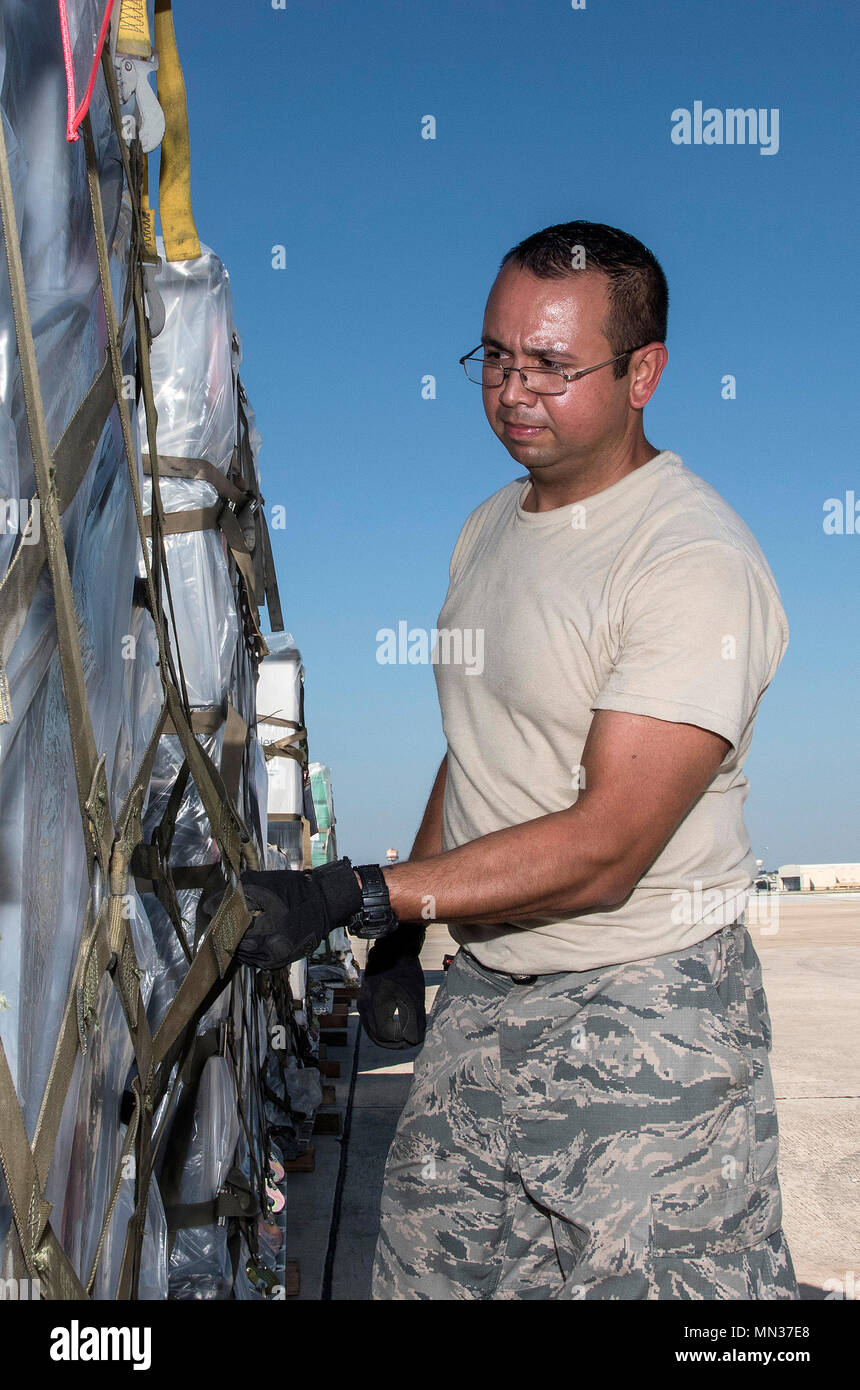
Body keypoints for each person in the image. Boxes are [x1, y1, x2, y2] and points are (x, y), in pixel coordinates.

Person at [229, 220, 798, 1300]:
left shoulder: (688, 558)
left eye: (550, 365)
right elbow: (478, 748)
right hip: (489, 998)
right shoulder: (485, 527)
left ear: (643, 373)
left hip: (645, 1015)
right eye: (493, 356)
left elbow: (604, 846)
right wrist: (404, 932)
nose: (511, 390)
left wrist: (355, 892)